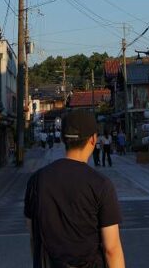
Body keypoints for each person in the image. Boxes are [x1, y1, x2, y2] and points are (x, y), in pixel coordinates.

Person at [24, 111, 125, 268]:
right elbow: (111, 248)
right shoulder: (101, 185)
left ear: (63, 139)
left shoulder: (36, 180)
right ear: (93, 139)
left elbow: (33, 236)